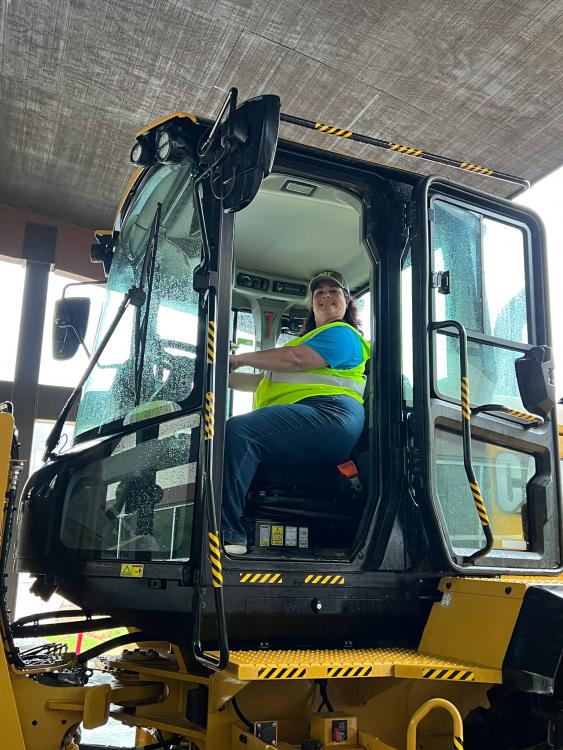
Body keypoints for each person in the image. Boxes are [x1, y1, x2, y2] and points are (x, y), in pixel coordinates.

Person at [222, 270, 370, 555]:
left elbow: (295, 360)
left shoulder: (343, 334)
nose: (325, 295)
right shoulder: (309, 340)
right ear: (312, 304)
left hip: (331, 416)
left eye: (333, 291)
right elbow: (261, 381)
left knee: (240, 432)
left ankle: (228, 534)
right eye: (319, 293)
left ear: (347, 301)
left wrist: (238, 359)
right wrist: (219, 372)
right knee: (238, 434)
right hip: (311, 415)